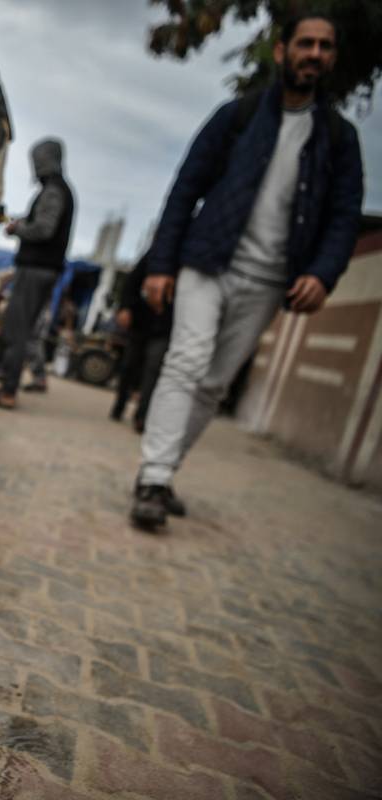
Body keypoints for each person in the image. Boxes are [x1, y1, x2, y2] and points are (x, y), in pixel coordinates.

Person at [131, 13, 363, 529]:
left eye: (325, 47)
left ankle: (164, 472)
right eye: (305, 44)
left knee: (214, 385)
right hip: (207, 261)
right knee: (186, 360)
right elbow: (185, 188)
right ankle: (153, 476)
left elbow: (345, 215)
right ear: (282, 52)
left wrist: (324, 274)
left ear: (332, 59)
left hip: (268, 280)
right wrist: (161, 264)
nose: (314, 54)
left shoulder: (339, 139)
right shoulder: (238, 116)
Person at [0, 138, 75, 409]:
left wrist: (18, 229)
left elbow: (44, 229)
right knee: (22, 330)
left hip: (36, 269)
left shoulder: (54, 190)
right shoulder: (57, 190)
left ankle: (7, 390)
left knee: (16, 330)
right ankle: (7, 384)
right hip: (43, 270)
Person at [110, 255, 171, 432]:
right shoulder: (156, 256)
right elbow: (131, 283)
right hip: (140, 323)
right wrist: (125, 308)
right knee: (129, 366)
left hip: (164, 327)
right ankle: (119, 406)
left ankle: (141, 416)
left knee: (153, 368)